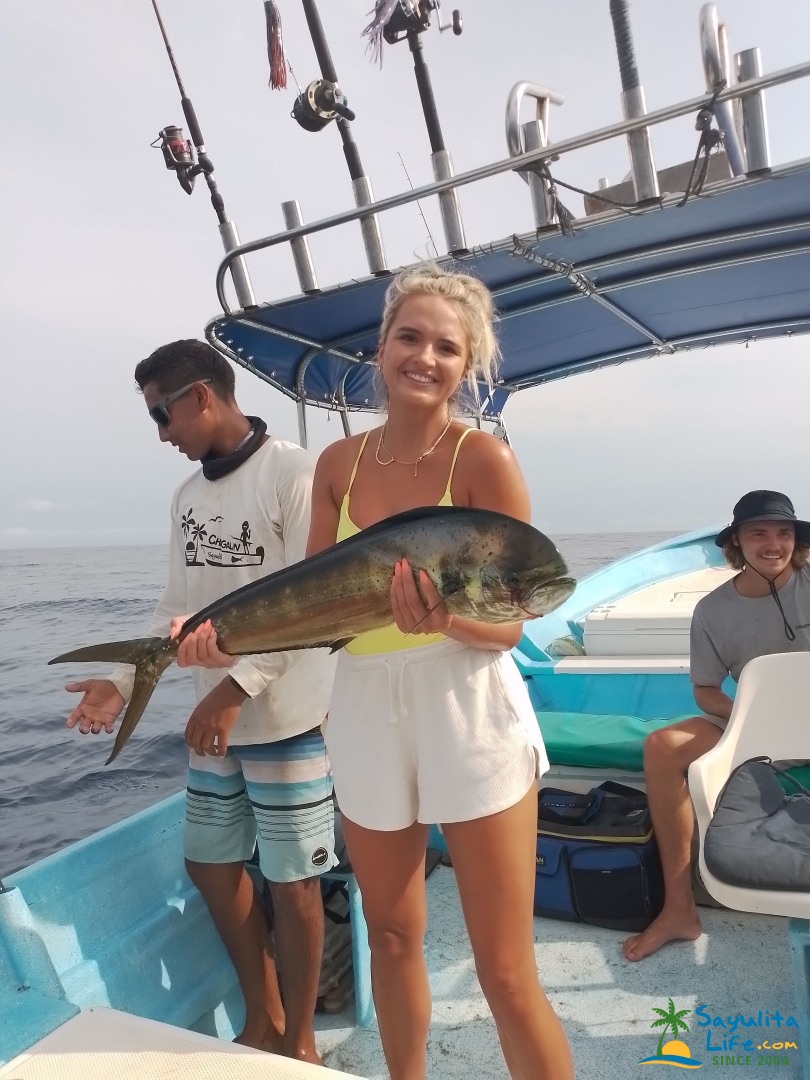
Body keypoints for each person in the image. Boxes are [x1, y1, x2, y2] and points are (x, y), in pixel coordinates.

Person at [176, 265, 574, 1080]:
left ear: (467, 365)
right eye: (409, 337)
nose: (425, 357)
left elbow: (509, 624)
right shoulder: (338, 465)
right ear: (381, 347)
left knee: (504, 969)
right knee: (390, 936)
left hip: (465, 702)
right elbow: (315, 607)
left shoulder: (483, 459)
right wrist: (224, 644)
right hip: (360, 709)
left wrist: (444, 619)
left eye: (447, 348)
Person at [62, 340, 337, 1064]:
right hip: (215, 725)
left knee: (295, 883)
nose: (161, 434)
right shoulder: (187, 496)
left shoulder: (294, 474)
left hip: (286, 719)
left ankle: (301, 1044)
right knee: (210, 866)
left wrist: (232, 690)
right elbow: (175, 608)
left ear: (201, 397)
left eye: (162, 414)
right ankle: (263, 1018)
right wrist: (120, 681)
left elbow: (314, 605)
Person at [623, 489, 810, 963]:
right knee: (663, 746)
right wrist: (748, 718)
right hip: (753, 728)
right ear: (737, 542)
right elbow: (706, 689)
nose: (773, 544)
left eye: (784, 533)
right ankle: (678, 908)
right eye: (759, 533)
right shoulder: (711, 611)